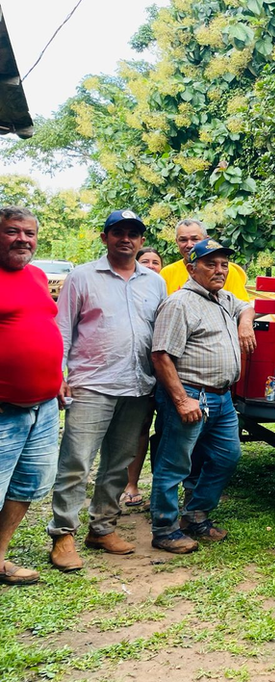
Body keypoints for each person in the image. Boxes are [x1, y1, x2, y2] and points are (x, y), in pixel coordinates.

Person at [48, 210, 166, 571]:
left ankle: (101, 527)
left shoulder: (154, 282)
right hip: (91, 384)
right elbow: (63, 329)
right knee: (76, 462)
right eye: (118, 232)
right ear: (105, 237)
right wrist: (58, 372)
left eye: (133, 233)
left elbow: (158, 332)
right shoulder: (82, 277)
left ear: (142, 241)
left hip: (137, 385)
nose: (125, 239)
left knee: (119, 463)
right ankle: (63, 534)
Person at [149, 238, 256, 553]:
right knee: (174, 464)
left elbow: (247, 306)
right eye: (211, 264)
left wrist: (245, 325)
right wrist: (182, 400)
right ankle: (165, 530)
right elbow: (161, 356)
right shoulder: (179, 303)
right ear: (190, 266)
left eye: (224, 264)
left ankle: (195, 515)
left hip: (221, 399)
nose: (220, 270)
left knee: (227, 456)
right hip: (192, 394)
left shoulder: (223, 298)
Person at [0, 207, 63, 585]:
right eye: (12, 231)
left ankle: (0, 555)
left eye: (29, 233)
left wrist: (55, 377)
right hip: (4, 411)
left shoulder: (38, 275)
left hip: (43, 407)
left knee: (28, 484)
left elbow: (42, 326)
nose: (23, 239)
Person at [123, 246, 165, 508]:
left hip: (161, 369)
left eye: (155, 262)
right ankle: (130, 482)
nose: (150, 265)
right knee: (135, 429)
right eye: (145, 261)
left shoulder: (162, 286)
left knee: (158, 429)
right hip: (132, 369)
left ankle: (160, 486)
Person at [159, 219, 250, 300]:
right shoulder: (167, 273)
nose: (189, 245)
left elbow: (242, 307)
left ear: (206, 239)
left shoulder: (225, 271)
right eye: (183, 240)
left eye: (195, 239)